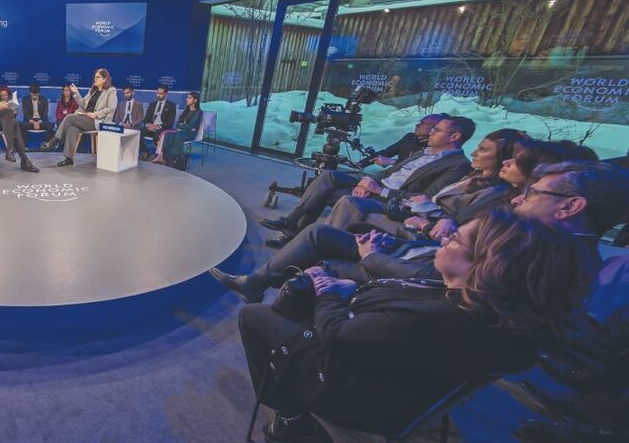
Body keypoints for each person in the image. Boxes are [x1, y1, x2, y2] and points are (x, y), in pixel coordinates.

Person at [238, 210, 576, 443]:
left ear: (487, 265)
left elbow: (339, 336)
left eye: (456, 238)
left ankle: (291, 417)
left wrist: (328, 292)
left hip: (354, 389)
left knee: (255, 316)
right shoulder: (492, 309)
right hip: (409, 383)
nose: (445, 237)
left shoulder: (438, 316)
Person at [210, 159, 629, 305]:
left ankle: (290, 300)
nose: (519, 198)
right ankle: (256, 283)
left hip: (405, 280)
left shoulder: (546, 256)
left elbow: (445, 290)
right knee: (322, 233)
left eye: (533, 191)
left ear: (571, 207)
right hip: (414, 255)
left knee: (329, 251)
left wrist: (375, 257)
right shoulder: (536, 238)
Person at [260, 116, 475, 240]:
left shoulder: (457, 165)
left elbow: (424, 198)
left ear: (454, 137)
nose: (430, 133)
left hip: (390, 199)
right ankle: (291, 222)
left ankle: (294, 236)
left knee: (328, 193)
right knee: (328, 176)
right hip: (377, 186)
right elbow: (390, 171)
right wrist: (366, 182)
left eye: (436, 130)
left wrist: (377, 190)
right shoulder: (425, 151)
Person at [323, 128, 523, 235]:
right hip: (406, 205)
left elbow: (451, 219)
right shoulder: (473, 176)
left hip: (417, 218)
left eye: (483, 150)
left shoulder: (469, 173)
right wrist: (367, 182)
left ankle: (324, 241)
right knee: (329, 180)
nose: (474, 153)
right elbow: (391, 169)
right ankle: (305, 228)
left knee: (348, 203)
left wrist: (423, 212)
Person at [40, 68, 118, 167]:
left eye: (98, 77)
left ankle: (54, 141)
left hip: (97, 121)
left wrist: (96, 114)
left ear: (105, 79)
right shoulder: (92, 90)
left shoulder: (111, 91)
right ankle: (69, 158)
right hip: (85, 117)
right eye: (95, 77)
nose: (95, 79)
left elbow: (112, 108)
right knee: (72, 129)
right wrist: (76, 93)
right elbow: (83, 105)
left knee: (70, 117)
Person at [366, 113, 447, 167]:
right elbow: (385, 153)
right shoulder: (409, 137)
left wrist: (392, 161)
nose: (417, 125)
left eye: (423, 123)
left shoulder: (435, 147)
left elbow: (417, 166)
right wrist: (358, 164)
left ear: (435, 128)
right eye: (420, 122)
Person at [151, 91, 202, 168]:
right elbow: (178, 123)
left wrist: (183, 125)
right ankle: (162, 156)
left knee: (175, 136)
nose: (187, 99)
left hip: (191, 134)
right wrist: (183, 125)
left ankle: (171, 159)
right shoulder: (186, 110)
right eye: (187, 98)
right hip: (182, 131)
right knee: (167, 134)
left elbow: (191, 126)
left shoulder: (198, 112)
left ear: (195, 100)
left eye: (189, 98)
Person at [141, 86, 177, 158]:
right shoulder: (152, 104)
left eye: (161, 93)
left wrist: (159, 127)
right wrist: (148, 125)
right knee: (137, 133)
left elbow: (170, 122)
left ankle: (160, 155)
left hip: (163, 127)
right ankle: (147, 151)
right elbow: (145, 119)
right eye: (157, 93)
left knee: (157, 135)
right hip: (151, 127)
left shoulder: (171, 105)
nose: (158, 95)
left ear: (166, 94)